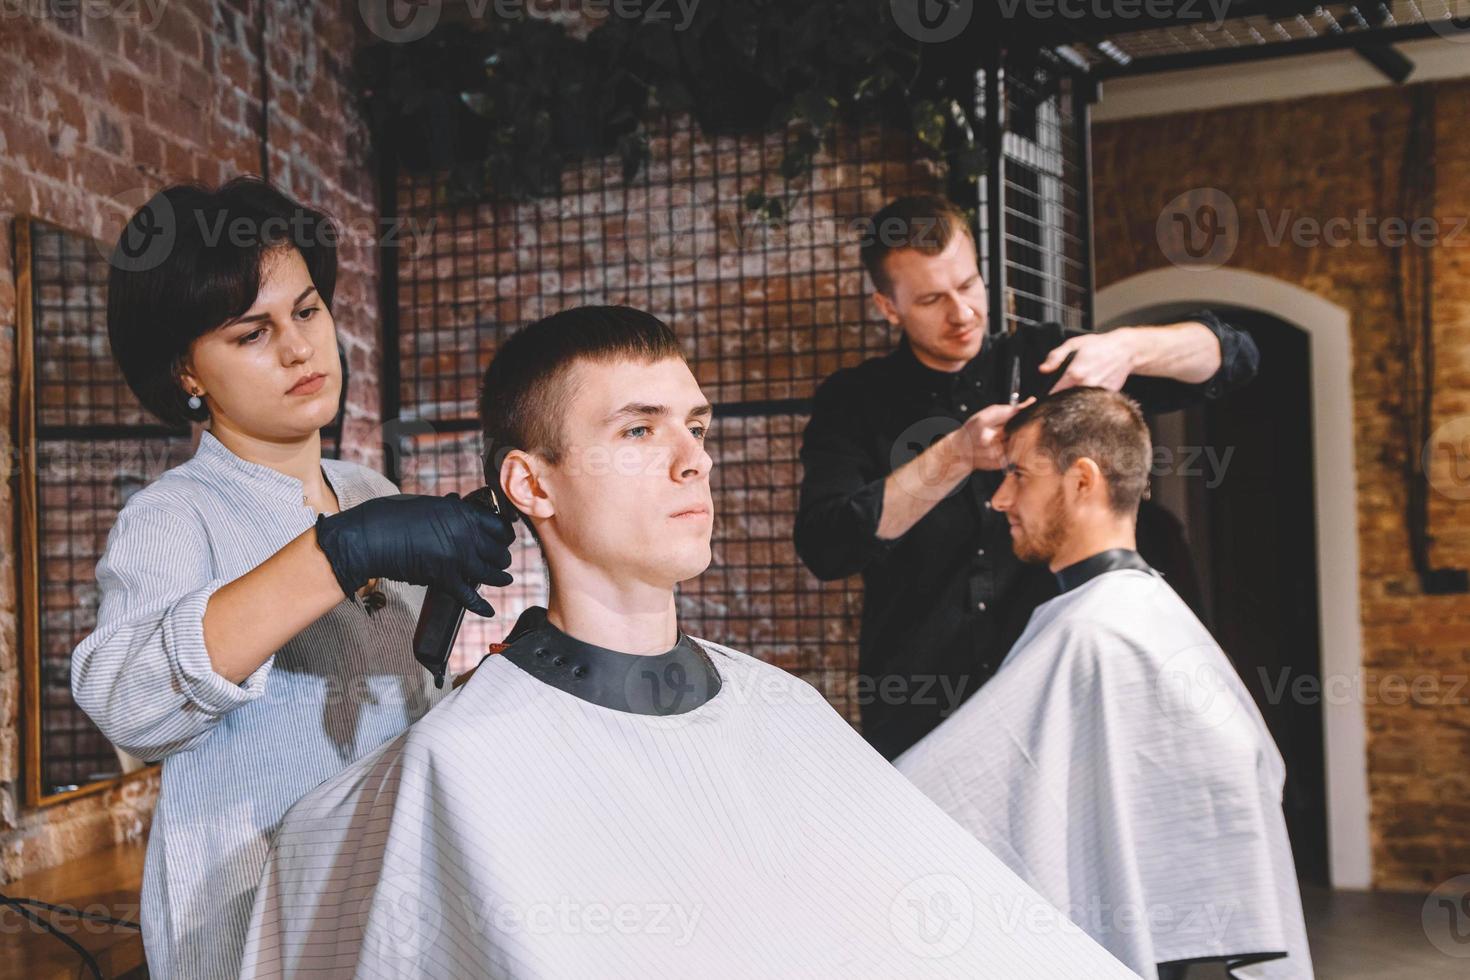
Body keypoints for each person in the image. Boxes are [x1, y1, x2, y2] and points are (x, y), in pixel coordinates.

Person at [238, 306, 1139, 979]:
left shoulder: (780, 709)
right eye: (639, 430)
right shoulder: (465, 765)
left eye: (696, 427)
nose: (693, 459)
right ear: (532, 486)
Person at [70, 177, 516, 980]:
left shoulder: (371, 490)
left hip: (387, 902)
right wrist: (339, 553)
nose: (299, 348)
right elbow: (127, 703)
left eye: (307, 311)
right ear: (186, 373)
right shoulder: (175, 516)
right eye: (251, 333)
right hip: (254, 925)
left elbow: (395, 709)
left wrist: (477, 690)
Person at [795, 193, 1261, 760]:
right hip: (920, 708)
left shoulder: (1046, 359)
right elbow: (826, 545)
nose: (962, 313)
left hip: (1056, 703)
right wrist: (956, 456)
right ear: (888, 307)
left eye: (968, 286)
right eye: (932, 299)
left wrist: (1128, 347)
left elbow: (1235, 356)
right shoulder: (854, 401)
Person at [894, 387, 1313, 980]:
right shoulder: (1147, 608)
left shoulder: (1093, 631)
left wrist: (857, 807)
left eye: (1018, 475)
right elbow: (1252, 764)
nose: (1001, 498)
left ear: (1082, 480)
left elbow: (945, 785)